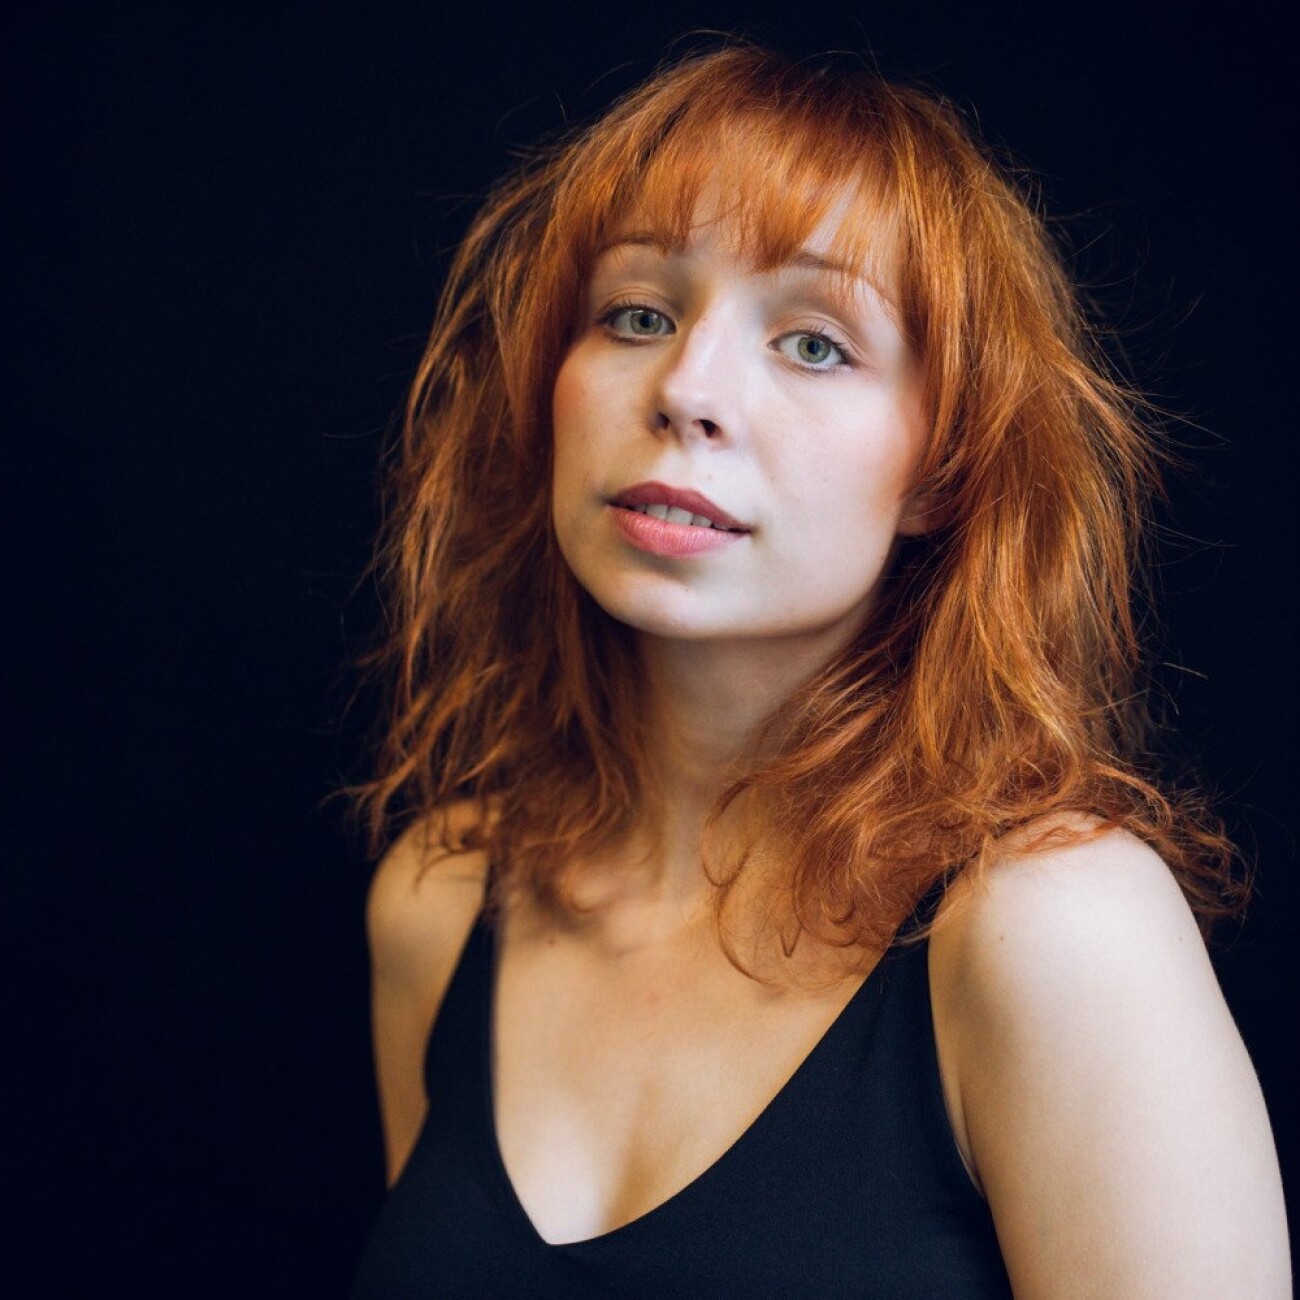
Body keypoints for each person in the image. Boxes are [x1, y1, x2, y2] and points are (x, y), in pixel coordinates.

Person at [349, 43, 1290, 1298]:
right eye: (637, 314)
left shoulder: (1049, 932)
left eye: (812, 342)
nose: (687, 390)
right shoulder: (440, 901)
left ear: (941, 470)